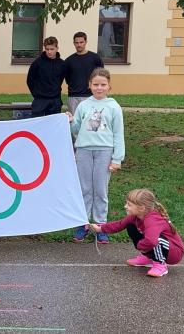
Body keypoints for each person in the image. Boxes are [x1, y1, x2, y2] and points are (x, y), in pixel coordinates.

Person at [66, 68, 125, 243]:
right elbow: (75, 129)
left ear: (109, 86)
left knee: (100, 189)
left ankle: (100, 225)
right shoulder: (83, 106)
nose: (99, 88)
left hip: (104, 152)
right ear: (89, 85)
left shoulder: (114, 107)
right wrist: (69, 120)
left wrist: (117, 159)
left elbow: (118, 134)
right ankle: (82, 223)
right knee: (84, 188)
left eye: (103, 84)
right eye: (96, 84)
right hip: (83, 151)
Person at [90, 189, 184, 277]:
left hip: (174, 252)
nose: (125, 206)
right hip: (160, 245)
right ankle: (149, 258)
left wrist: (140, 246)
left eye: (129, 205)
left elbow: (151, 241)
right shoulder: (135, 216)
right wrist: (100, 229)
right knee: (131, 226)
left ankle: (160, 265)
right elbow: (119, 224)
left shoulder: (152, 219)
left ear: (142, 208)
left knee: (154, 239)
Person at [64, 32, 104, 115]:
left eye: (81, 42)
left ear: (86, 42)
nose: (79, 45)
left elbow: (101, 76)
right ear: (73, 43)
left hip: (91, 95)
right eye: (77, 42)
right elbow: (67, 78)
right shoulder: (69, 61)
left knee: (91, 122)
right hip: (73, 96)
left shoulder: (95, 58)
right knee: (74, 122)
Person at [26, 36, 66, 117]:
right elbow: (30, 80)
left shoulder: (62, 64)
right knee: (37, 125)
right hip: (40, 100)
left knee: (53, 126)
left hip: (55, 100)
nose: (49, 52)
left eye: (52, 49)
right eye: (47, 49)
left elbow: (60, 79)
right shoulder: (37, 63)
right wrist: (36, 94)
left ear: (57, 48)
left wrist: (55, 90)